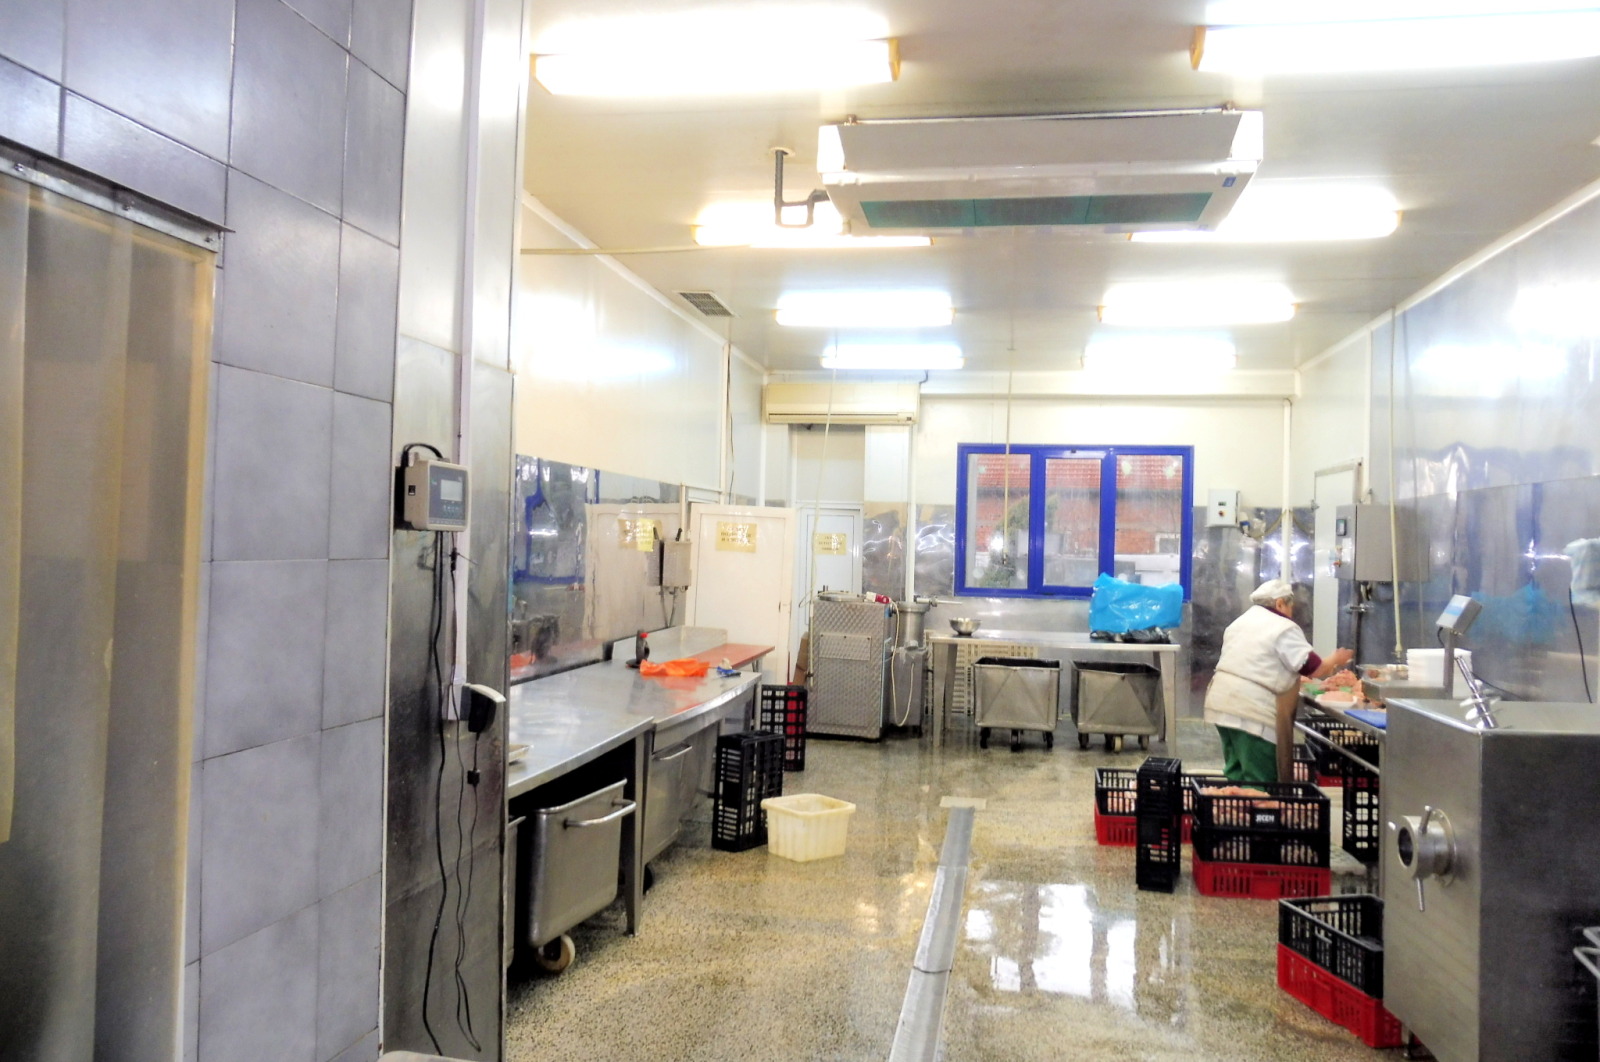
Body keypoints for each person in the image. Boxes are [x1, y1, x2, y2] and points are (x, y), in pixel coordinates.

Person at [1204, 578, 1353, 783]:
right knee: (1260, 781)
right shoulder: (1283, 627)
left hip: (1221, 704)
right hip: (1251, 711)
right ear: (1280, 603)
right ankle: (1260, 802)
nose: (1292, 612)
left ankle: (1237, 803)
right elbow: (1315, 668)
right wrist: (1336, 658)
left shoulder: (1239, 622)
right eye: (1291, 606)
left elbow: (1258, 663)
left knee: (1236, 775)